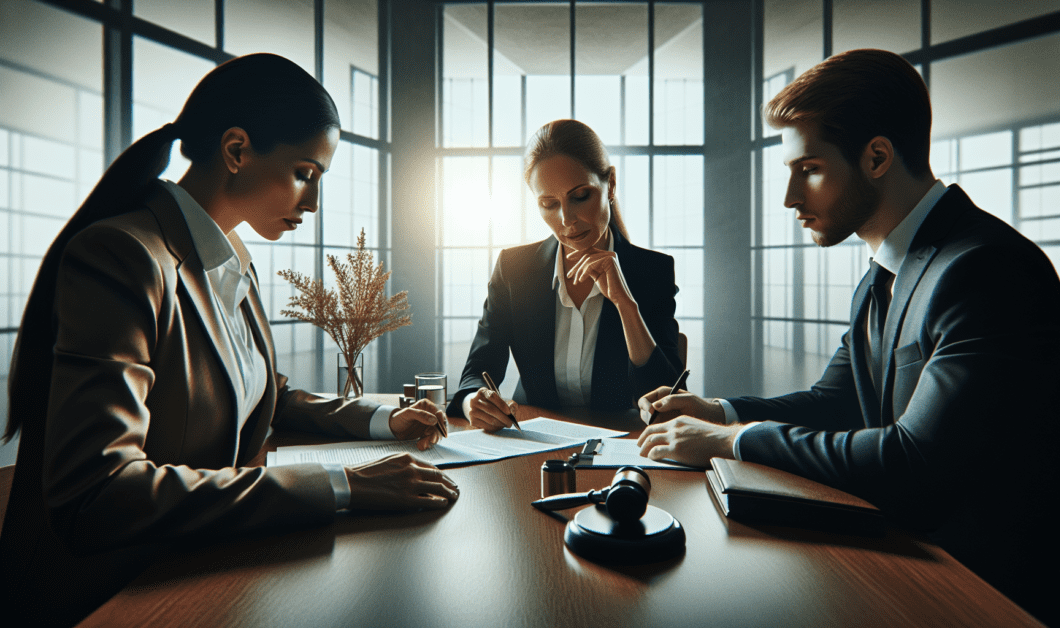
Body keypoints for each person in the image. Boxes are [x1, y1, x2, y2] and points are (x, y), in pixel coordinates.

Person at [636, 49, 1060, 627]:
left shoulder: (985, 270)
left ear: (877, 156)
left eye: (809, 170)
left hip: (1008, 597)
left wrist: (730, 440)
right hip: (925, 564)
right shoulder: (885, 273)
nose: (790, 198)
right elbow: (839, 401)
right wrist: (718, 409)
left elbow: (913, 462)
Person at [0, 53, 457, 627]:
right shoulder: (126, 257)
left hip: (206, 567)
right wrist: (342, 485)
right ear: (237, 150)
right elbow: (100, 492)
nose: (312, 203)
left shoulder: (228, 259)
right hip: (109, 595)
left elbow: (259, 394)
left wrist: (381, 420)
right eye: (305, 174)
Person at [445, 119, 683, 431]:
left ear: (610, 185)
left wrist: (626, 305)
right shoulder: (514, 269)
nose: (566, 219)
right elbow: (478, 369)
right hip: (532, 439)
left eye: (580, 196)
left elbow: (667, 402)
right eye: (549, 203)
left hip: (624, 444)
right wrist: (474, 400)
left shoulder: (653, 272)